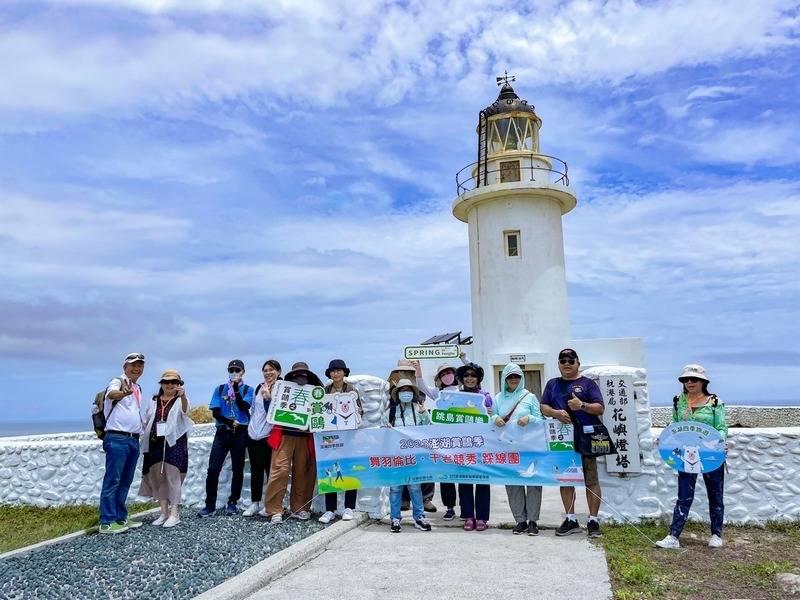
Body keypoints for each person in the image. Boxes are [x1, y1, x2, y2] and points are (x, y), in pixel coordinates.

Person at [656, 365, 728, 549]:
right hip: (686, 453)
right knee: (684, 494)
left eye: (693, 379)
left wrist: (721, 442)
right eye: (685, 380)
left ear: (703, 381)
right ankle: (673, 535)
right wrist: (666, 439)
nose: (689, 382)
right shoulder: (678, 401)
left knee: (715, 493)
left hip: (710, 454)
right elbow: (676, 425)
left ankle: (716, 534)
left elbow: (721, 427)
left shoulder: (714, 402)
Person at [540, 348, 606, 537]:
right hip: (562, 440)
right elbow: (543, 406)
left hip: (586, 436)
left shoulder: (588, 384)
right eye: (562, 360)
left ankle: (593, 521)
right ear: (558, 364)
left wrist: (582, 405)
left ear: (578, 363)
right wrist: (556, 413)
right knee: (566, 479)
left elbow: (600, 408)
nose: (566, 363)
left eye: (571, 360)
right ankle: (570, 519)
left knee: (591, 480)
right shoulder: (552, 384)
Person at [263, 362, 322, 524]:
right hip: (284, 434)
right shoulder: (282, 389)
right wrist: (268, 399)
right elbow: (272, 411)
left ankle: (300, 508)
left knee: (303, 471)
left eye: (303, 375)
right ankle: (274, 509)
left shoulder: (315, 392)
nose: (300, 378)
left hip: (305, 436)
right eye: (296, 375)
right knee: (279, 470)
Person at [198, 359, 254, 517]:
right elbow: (215, 411)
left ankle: (233, 502)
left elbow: (245, 406)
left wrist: (236, 389)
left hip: (240, 433)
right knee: (213, 469)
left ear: (243, 372)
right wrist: (229, 421)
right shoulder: (220, 389)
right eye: (232, 369)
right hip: (222, 431)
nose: (234, 372)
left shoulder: (247, 390)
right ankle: (210, 504)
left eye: (237, 370)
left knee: (238, 469)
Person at [99, 352, 147, 534]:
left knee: (125, 481)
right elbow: (111, 395)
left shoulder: (137, 388)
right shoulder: (118, 381)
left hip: (133, 439)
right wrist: (122, 393)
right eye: (133, 365)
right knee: (113, 479)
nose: (137, 368)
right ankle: (107, 521)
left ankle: (120, 517)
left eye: (140, 365)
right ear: (125, 367)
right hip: (117, 438)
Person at [493, 363, 543, 536]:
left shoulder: (529, 397)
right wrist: (495, 418)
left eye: (516, 376)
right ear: (504, 379)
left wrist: (529, 418)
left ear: (521, 378)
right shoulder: (498, 398)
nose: (513, 379)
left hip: (529, 447)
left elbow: (540, 419)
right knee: (513, 484)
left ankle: (533, 521)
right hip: (507, 448)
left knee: (533, 482)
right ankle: (520, 520)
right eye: (510, 376)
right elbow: (490, 417)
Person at [139, 369, 192, 528]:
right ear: (161, 384)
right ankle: (163, 512)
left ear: (179, 384)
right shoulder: (154, 400)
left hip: (174, 443)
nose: (170, 385)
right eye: (166, 382)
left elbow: (186, 410)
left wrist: (182, 396)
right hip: (155, 442)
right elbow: (146, 419)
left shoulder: (180, 399)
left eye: (173, 382)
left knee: (173, 476)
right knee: (159, 477)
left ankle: (174, 513)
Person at [383, 378, 432, 533]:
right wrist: (386, 428)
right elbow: (382, 433)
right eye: (403, 390)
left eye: (408, 390)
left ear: (413, 393)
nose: (406, 393)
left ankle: (419, 517)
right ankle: (395, 519)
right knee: (395, 488)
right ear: (398, 394)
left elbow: (430, 429)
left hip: (414, 456)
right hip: (396, 456)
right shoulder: (390, 411)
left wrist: (424, 414)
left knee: (415, 487)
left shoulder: (419, 409)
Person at [387, 359, 436, 512]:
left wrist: (423, 414)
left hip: (417, 447)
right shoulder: (392, 390)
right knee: (401, 476)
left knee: (424, 472)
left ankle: (425, 499)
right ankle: (404, 500)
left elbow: (427, 428)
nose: (404, 371)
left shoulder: (418, 388)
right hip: (399, 449)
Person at [415, 360, 461, 521]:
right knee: (446, 475)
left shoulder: (463, 390)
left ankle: (468, 509)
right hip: (444, 439)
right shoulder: (438, 393)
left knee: (464, 476)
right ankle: (450, 507)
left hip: (462, 438)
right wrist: (418, 371)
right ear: (439, 378)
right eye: (443, 374)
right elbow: (422, 386)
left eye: (449, 373)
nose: (447, 376)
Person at [319, 359, 364, 524]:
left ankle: (348, 507)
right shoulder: (325, 391)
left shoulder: (352, 390)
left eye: (339, 370)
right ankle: (330, 509)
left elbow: (361, 412)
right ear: (329, 374)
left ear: (344, 373)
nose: (336, 373)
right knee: (329, 470)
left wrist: (356, 413)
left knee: (349, 469)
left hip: (349, 437)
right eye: (333, 371)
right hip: (330, 438)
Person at [455, 362, 493, 531]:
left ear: (479, 379)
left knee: (483, 481)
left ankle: (482, 517)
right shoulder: (455, 396)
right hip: (462, 445)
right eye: (467, 376)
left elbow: (492, 419)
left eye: (473, 375)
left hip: (483, 444)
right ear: (462, 379)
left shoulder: (486, 396)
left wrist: (491, 413)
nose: (470, 378)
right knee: (464, 481)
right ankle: (468, 516)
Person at [244, 359, 281, 517]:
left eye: (271, 370)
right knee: (256, 471)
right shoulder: (259, 387)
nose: (268, 373)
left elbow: (277, 413)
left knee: (271, 471)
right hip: (254, 434)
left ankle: (270, 505)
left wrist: (268, 399)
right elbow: (255, 410)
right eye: (265, 370)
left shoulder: (282, 388)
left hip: (270, 435)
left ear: (278, 372)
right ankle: (255, 503)